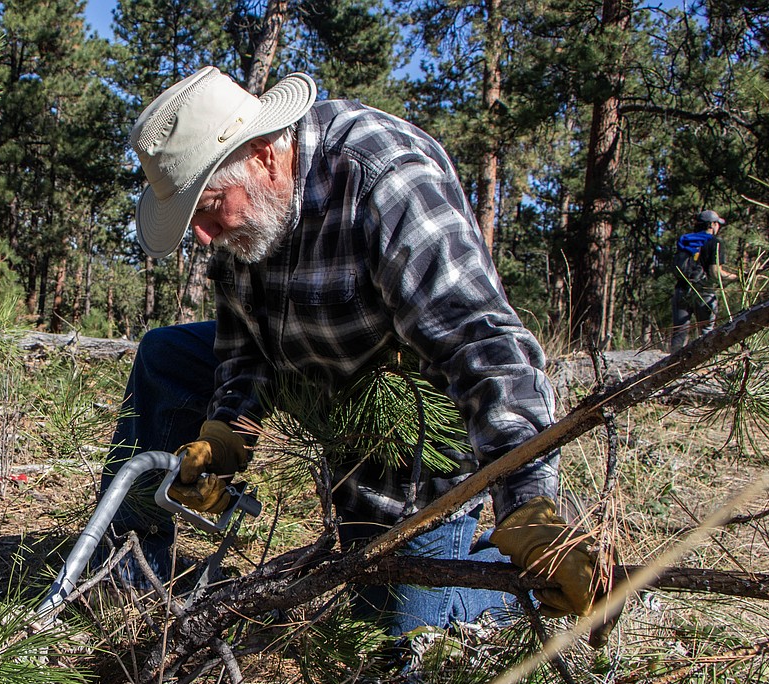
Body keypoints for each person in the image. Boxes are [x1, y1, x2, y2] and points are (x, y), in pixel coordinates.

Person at [99, 66, 601, 633]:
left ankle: (524, 563)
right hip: (318, 378)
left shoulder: (384, 179)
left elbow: (481, 344)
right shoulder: (244, 217)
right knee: (167, 355)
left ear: (263, 156)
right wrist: (225, 434)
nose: (204, 237)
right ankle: (128, 577)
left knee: (392, 627)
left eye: (210, 204)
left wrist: (527, 496)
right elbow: (243, 348)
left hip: (415, 427)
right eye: (195, 217)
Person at [669, 209, 736, 352]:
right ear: (711, 224)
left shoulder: (685, 240)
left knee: (679, 332)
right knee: (707, 332)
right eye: (717, 224)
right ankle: (706, 366)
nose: (718, 227)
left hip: (681, 290)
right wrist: (735, 277)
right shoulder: (715, 243)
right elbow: (715, 272)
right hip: (703, 293)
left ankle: (670, 367)